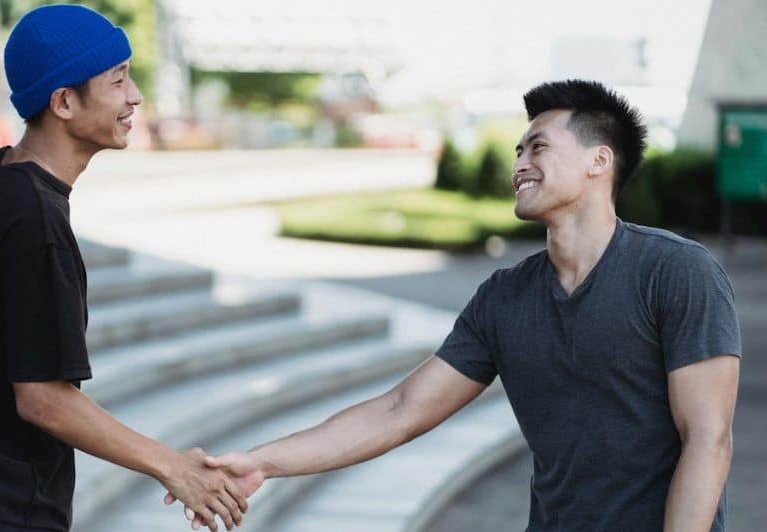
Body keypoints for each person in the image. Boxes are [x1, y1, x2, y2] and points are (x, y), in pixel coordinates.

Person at [168, 80, 741, 532]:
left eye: (538, 146)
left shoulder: (675, 273)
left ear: (599, 161)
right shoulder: (504, 297)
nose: (520, 161)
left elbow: (707, 437)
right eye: (519, 149)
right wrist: (263, 461)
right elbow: (399, 410)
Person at [0, 5, 246, 532]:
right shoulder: (37, 222)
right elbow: (43, 401)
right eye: (118, 80)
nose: (135, 96)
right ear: (64, 102)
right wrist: (171, 466)